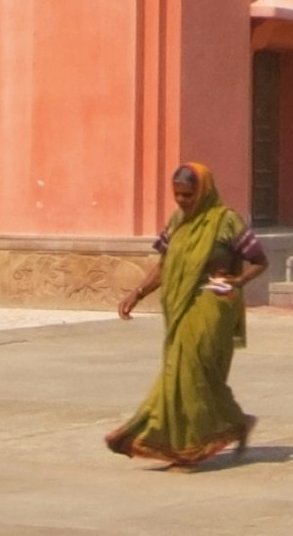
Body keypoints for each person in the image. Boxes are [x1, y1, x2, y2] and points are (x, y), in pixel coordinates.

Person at [108, 159, 263, 468]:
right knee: (189, 373)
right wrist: (137, 293)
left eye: (188, 195)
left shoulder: (225, 221)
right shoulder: (177, 221)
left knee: (191, 367)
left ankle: (188, 446)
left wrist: (240, 280)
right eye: (177, 194)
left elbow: (259, 259)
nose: (182, 200)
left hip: (213, 303)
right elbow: (164, 265)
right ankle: (235, 422)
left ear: (204, 191)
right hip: (179, 305)